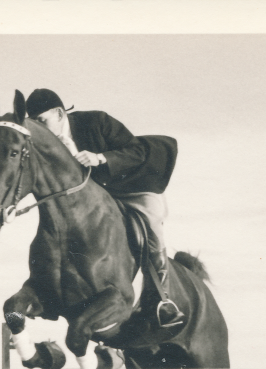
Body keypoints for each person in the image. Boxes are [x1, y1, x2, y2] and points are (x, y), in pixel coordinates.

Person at [25, 88, 185, 328]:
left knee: (152, 221)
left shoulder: (96, 121)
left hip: (130, 187)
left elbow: (137, 150)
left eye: (41, 120)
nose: (39, 128)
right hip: (91, 200)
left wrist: (100, 157)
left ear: (59, 114)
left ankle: (163, 299)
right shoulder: (45, 145)